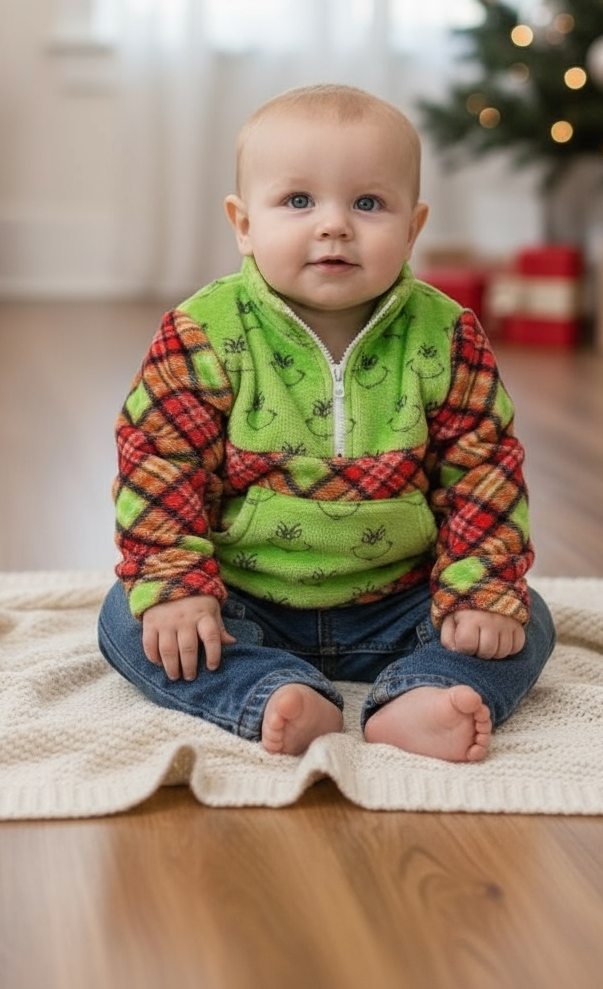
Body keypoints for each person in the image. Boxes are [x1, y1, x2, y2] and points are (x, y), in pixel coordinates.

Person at [98, 84, 555, 763]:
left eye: (368, 204)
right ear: (244, 223)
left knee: (528, 618)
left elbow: (482, 471)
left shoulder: (447, 335)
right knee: (126, 618)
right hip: (242, 602)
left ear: (413, 227)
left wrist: (479, 590)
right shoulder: (203, 332)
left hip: (403, 602)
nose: (334, 225)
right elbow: (159, 465)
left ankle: (422, 696)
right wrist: (177, 587)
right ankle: (270, 690)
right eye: (299, 201)